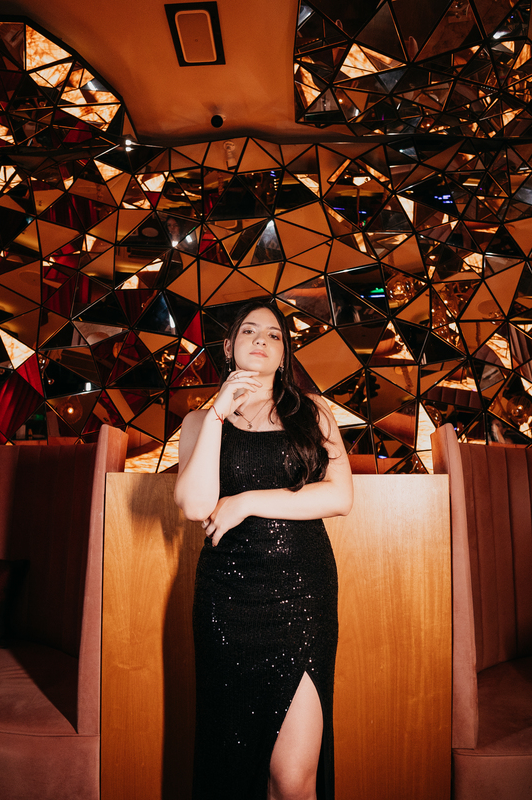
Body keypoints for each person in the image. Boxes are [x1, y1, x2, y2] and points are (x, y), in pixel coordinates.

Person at [174, 300, 353, 800]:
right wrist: (218, 413)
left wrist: (247, 501)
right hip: (226, 601)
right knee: (233, 767)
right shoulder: (199, 421)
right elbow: (195, 505)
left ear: (283, 352)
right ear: (228, 346)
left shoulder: (313, 412)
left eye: (273, 335)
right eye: (249, 331)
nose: (261, 340)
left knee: (293, 780)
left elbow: (340, 497)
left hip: (302, 598)